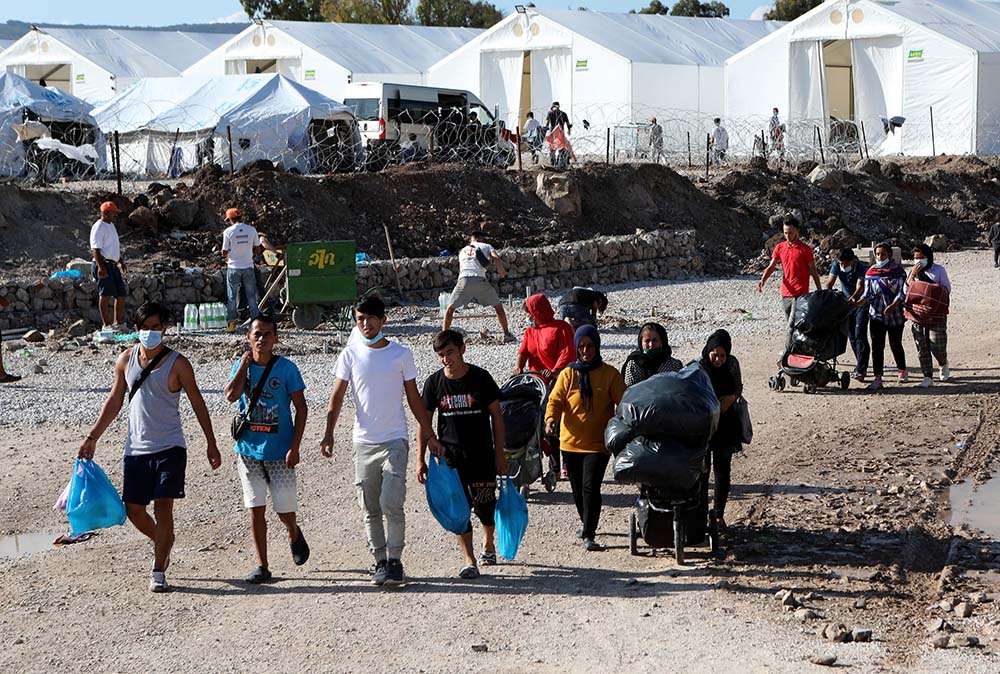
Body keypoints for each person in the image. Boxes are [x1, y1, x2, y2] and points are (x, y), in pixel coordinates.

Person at [77, 302, 222, 592]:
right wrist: (92, 436)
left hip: (170, 447)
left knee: (164, 506)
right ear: (136, 329)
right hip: (136, 450)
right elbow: (115, 401)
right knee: (134, 510)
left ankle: (158, 570)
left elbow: (197, 403)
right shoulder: (125, 360)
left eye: (157, 327)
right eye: (146, 327)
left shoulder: (178, 363)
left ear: (165, 329)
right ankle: (163, 540)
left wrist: (211, 442)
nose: (151, 332)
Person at [321, 296, 442, 587]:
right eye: (360, 318)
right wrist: (328, 433)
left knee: (392, 501)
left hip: (394, 440)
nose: (365, 323)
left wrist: (429, 433)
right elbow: (336, 397)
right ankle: (379, 561)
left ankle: (396, 561)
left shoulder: (401, 354)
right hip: (363, 442)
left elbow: (414, 398)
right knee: (370, 506)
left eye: (371, 318)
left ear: (383, 320)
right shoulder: (349, 355)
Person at [224, 315, 309, 584]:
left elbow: (302, 408)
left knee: (284, 510)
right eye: (257, 334)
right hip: (248, 450)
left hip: (279, 451)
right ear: (248, 337)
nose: (262, 339)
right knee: (255, 507)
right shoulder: (243, 366)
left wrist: (295, 446)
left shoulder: (287, 369)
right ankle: (263, 565)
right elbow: (230, 395)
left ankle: (293, 532)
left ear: (276, 338)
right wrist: (243, 367)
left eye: (268, 334)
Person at [418, 330, 506, 579]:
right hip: (450, 461)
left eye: (450, 352)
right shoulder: (434, 383)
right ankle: (469, 559)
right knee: (458, 511)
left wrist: (500, 455)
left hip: (481, 457)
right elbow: (424, 422)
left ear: (462, 349)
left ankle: (488, 542)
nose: (446, 359)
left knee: (486, 506)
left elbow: (497, 417)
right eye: (441, 355)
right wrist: (420, 459)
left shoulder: (481, 378)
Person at [544, 325, 625, 551]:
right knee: (578, 490)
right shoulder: (568, 374)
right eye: (581, 347)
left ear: (597, 346)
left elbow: (623, 402)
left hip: (598, 445)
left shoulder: (610, 374)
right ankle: (585, 520)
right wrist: (551, 420)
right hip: (569, 443)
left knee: (591, 487)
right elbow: (555, 401)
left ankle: (589, 533)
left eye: (590, 346)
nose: (586, 351)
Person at [699, 329, 743, 532]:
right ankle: (699, 514)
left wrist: (731, 398)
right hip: (704, 426)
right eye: (714, 354)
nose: (718, 359)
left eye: (722, 355)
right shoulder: (699, 367)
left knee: (722, 471)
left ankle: (718, 515)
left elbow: (737, 387)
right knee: (701, 471)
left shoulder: (732, 364)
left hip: (726, 424)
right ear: (708, 351)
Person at [757, 216, 821, 351]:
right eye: (785, 232)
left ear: (797, 230)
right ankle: (799, 351)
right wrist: (763, 280)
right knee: (792, 326)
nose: (787, 235)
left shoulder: (805, 249)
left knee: (791, 327)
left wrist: (819, 289)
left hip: (801, 295)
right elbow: (771, 266)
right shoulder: (780, 247)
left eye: (790, 232)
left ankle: (786, 355)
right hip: (785, 294)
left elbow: (813, 271)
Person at [442, 231, 514, 342]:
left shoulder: (462, 251)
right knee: (498, 307)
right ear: (480, 238)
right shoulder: (487, 246)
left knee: (450, 309)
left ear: (472, 239)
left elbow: (462, 268)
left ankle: (443, 336)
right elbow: (497, 258)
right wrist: (502, 276)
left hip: (463, 280)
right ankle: (506, 333)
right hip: (479, 279)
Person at [857, 242, 907, 391]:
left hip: (895, 315)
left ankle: (902, 369)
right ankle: (878, 377)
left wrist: (893, 306)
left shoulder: (898, 272)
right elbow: (867, 293)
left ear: (889, 255)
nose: (880, 257)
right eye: (878, 254)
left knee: (895, 343)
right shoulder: (870, 273)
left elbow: (902, 292)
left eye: (883, 254)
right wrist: (860, 301)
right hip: (876, 315)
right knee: (877, 346)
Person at [905, 244, 952, 387]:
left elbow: (946, 290)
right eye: (915, 258)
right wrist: (912, 275)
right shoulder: (912, 272)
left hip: (936, 313)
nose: (918, 261)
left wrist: (928, 291)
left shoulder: (938, 270)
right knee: (922, 346)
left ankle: (943, 362)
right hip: (917, 314)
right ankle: (927, 377)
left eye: (921, 258)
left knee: (937, 344)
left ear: (928, 257)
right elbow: (906, 290)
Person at [825, 248, 870, 381]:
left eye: (846, 264)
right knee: (851, 335)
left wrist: (853, 299)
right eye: (841, 264)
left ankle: (862, 369)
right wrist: (828, 294)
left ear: (853, 261)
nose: (843, 266)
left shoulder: (861, 267)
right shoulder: (836, 265)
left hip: (861, 303)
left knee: (860, 334)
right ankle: (860, 362)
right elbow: (829, 282)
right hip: (846, 305)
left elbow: (860, 286)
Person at [513, 294, 575, 383]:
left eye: (528, 313)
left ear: (535, 313)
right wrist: (518, 368)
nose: (526, 317)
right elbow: (523, 353)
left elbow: (567, 354)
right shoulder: (530, 331)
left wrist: (554, 372)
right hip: (537, 381)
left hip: (558, 380)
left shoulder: (562, 328)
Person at [222, 207, 262, 333]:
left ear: (230, 219)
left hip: (233, 268)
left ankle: (231, 326)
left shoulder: (228, 231)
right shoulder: (252, 230)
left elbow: (224, 251)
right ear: (240, 217)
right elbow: (257, 249)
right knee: (251, 297)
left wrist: (231, 254)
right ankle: (256, 325)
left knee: (232, 297)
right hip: (248, 267)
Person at [90, 201, 128, 332]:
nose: (116, 215)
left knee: (121, 294)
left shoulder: (111, 226)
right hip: (103, 264)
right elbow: (96, 249)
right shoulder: (99, 227)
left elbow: (112, 246)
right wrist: (101, 267)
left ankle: (118, 323)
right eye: (114, 213)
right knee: (105, 295)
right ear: (106, 213)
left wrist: (120, 260)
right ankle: (106, 325)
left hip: (113, 264)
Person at [621, 321, 683, 387]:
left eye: (655, 340)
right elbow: (630, 391)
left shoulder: (674, 365)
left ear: (662, 342)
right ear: (641, 342)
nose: (651, 345)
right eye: (647, 341)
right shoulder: (634, 364)